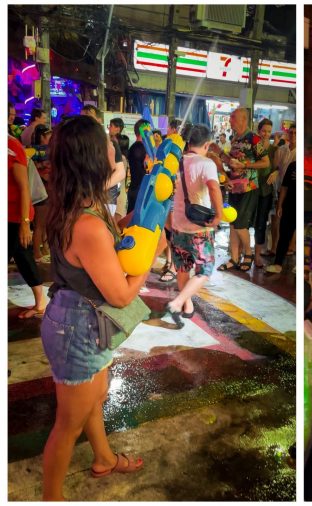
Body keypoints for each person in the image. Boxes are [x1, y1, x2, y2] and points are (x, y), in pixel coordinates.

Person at [41, 116, 166, 500]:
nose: (114, 146)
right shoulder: (87, 225)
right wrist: (150, 257)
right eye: (106, 142)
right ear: (95, 156)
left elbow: (116, 233)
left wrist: (145, 218)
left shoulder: (83, 203)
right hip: (77, 328)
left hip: (83, 321)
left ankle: (104, 459)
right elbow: (121, 295)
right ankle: (51, 497)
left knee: (95, 399)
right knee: (68, 425)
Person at [165, 124, 225, 325]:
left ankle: (187, 306)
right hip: (199, 228)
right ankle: (177, 303)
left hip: (178, 225)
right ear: (206, 144)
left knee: (182, 268)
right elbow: (214, 188)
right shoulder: (206, 163)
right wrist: (219, 215)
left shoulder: (177, 162)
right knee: (205, 270)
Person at [218, 107, 269, 273]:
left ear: (244, 119)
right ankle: (234, 258)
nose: (230, 120)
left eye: (233, 117)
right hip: (234, 187)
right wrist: (219, 153)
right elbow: (231, 161)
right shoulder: (235, 139)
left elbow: (266, 162)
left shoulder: (254, 138)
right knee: (233, 222)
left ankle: (248, 253)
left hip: (248, 187)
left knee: (240, 224)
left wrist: (245, 165)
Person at [9, 135, 46, 319]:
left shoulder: (11, 146)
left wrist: (24, 223)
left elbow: (24, 187)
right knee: (23, 257)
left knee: (23, 256)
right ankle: (40, 302)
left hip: (14, 216)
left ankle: (41, 302)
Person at [264, 160, 296, 275]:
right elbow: (284, 186)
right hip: (289, 204)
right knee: (284, 234)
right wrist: (280, 205)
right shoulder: (293, 165)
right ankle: (278, 264)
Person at [253, 118, 277, 266]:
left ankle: (257, 254)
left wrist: (276, 172)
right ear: (259, 131)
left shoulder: (274, 149)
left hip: (266, 190)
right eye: (264, 131)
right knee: (247, 220)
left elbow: (278, 167)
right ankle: (244, 252)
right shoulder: (253, 146)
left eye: (269, 131)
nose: (266, 134)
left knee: (261, 223)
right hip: (251, 188)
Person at [31, 124, 53, 262]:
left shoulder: (34, 151)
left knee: (45, 223)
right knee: (40, 224)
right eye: (49, 135)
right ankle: (37, 253)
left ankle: (44, 249)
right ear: (42, 136)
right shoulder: (36, 152)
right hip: (41, 191)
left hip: (44, 190)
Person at [126, 119, 151, 215]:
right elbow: (147, 167)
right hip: (139, 190)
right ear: (144, 131)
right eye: (149, 130)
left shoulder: (135, 147)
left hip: (136, 188)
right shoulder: (140, 148)